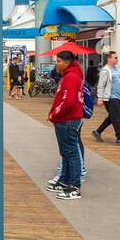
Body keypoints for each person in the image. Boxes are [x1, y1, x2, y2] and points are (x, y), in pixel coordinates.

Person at [45, 50, 84, 200]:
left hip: (67, 120)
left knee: (71, 152)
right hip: (65, 120)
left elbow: (68, 102)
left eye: (58, 61)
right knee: (66, 152)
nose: (56, 64)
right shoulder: (69, 76)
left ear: (67, 63)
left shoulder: (71, 77)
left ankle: (74, 186)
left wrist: (54, 114)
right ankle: (65, 181)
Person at [92, 50, 120, 147]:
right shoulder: (105, 71)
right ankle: (119, 138)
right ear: (109, 59)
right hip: (109, 98)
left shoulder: (118, 70)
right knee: (116, 117)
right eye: (115, 57)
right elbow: (100, 85)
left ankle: (97, 132)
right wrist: (100, 98)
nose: (117, 59)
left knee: (114, 117)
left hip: (118, 98)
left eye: (117, 57)